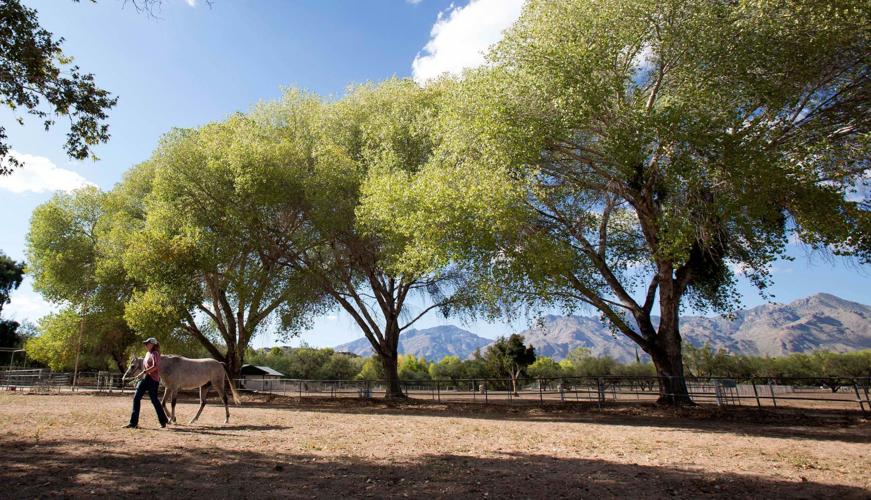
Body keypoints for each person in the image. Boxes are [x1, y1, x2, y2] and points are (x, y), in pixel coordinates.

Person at [123, 337, 168, 429]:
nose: (146, 345)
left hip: (153, 380)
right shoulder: (147, 353)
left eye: (147, 343)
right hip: (146, 378)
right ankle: (133, 423)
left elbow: (156, 366)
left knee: (154, 400)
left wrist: (144, 372)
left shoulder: (155, 353)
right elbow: (146, 366)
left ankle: (163, 420)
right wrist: (143, 373)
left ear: (153, 344)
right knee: (136, 398)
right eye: (145, 343)